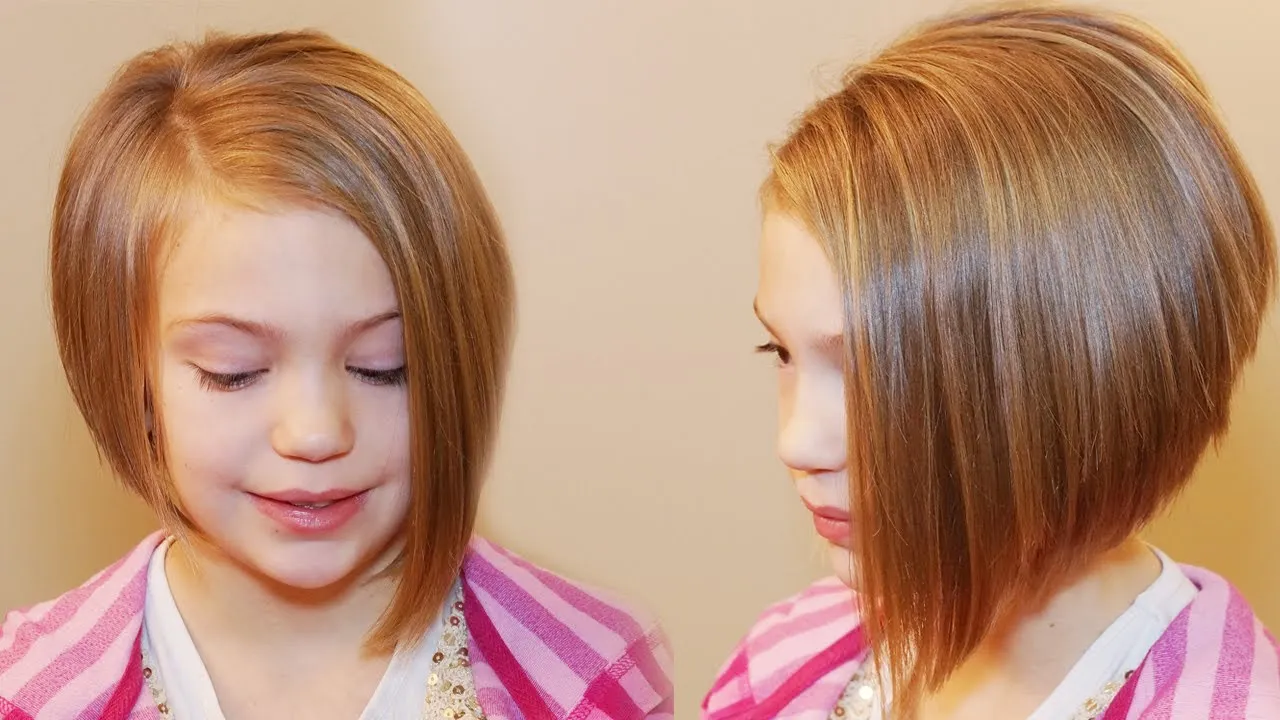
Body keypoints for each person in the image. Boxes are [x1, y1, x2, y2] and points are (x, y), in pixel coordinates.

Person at [0, 30, 672, 720]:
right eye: (235, 374)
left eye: (384, 368)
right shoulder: (28, 694)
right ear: (129, 377)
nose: (316, 433)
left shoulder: (591, 678)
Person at [704, 4, 1277, 719]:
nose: (795, 443)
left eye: (878, 372)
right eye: (780, 352)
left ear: (1081, 374)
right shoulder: (790, 656)